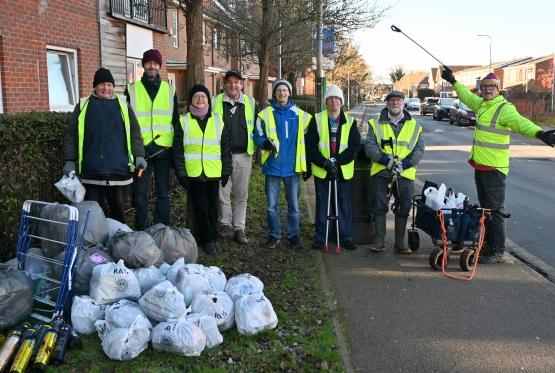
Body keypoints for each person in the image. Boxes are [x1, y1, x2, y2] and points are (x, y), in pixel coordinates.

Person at [441, 68, 555, 263]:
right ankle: (488, 245)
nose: (488, 90)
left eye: (492, 87)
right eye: (485, 87)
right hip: (480, 165)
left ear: (498, 89)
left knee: (495, 211)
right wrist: (453, 81)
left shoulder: (504, 108)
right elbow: (466, 96)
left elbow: (521, 123)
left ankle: (498, 251)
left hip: (495, 169)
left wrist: (539, 133)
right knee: (486, 211)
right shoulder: (482, 105)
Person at [63, 68, 145, 223]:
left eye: (109, 84)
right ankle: (96, 245)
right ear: (95, 86)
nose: (106, 88)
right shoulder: (83, 105)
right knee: (93, 216)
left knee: (119, 214)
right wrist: (69, 160)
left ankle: (119, 243)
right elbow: (71, 135)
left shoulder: (123, 105)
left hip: (119, 170)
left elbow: (135, 132)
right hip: (92, 172)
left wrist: (139, 154)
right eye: (102, 84)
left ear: (113, 86)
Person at [172, 84, 232, 254]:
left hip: (213, 172)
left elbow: (225, 149)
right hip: (194, 174)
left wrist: (226, 170)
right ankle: (208, 240)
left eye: (203, 96)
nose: (200, 99)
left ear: (208, 100)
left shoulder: (218, 120)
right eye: (197, 96)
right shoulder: (183, 121)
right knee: (201, 208)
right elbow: (177, 151)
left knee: (214, 207)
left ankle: (213, 236)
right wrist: (182, 175)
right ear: (191, 100)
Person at [253, 79, 312, 250]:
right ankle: (274, 234)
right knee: (272, 206)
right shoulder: (264, 114)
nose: (282, 93)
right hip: (272, 166)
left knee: (293, 205)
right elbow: (257, 135)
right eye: (279, 90)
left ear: (289, 93)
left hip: (293, 167)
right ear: (274, 93)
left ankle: (293, 235)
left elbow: (311, 135)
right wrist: (264, 144)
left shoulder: (300, 114)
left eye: (285, 90)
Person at [365, 91, 425, 254]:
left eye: (398, 100)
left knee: (404, 206)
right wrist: (386, 161)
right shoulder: (375, 123)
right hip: (381, 171)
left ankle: (400, 243)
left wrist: (405, 164)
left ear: (403, 103)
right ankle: (379, 241)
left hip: (404, 173)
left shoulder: (415, 126)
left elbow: (419, 150)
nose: (395, 103)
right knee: (379, 206)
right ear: (387, 104)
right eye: (391, 101)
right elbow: (370, 147)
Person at [125, 49, 179, 230]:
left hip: (163, 149)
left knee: (163, 192)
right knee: (140, 192)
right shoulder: (131, 90)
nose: (152, 66)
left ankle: (162, 228)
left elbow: (176, 120)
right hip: (142, 152)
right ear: (143, 65)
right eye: (149, 62)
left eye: (156, 63)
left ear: (160, 66)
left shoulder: (169, 89)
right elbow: (126, 123)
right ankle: (142, 228)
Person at [306, 85, 361, 251]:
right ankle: (321, 237)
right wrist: (325, 162)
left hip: (342, 170)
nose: (334, 102)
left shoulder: (350, 122)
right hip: (322, 170)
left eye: (337, 99)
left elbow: (353, 147)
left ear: (341, 102)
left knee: (343, 204)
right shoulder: (316, 119)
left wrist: (336, 161)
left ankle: (345, 236)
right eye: (330, 99)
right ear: (326, 102)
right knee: (323, 204)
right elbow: (311, 146)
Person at [212, 70, 259, 244]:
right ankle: (225, 223)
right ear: (224, 84)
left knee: (241, 193)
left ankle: (239, 228)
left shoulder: (251, 103)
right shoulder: (215, 101)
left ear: (241, 84)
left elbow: (258, 129)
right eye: (229, 82)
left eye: (236, 82)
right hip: (221, 155)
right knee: (222, 191)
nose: (233, 85)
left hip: (243, 156)